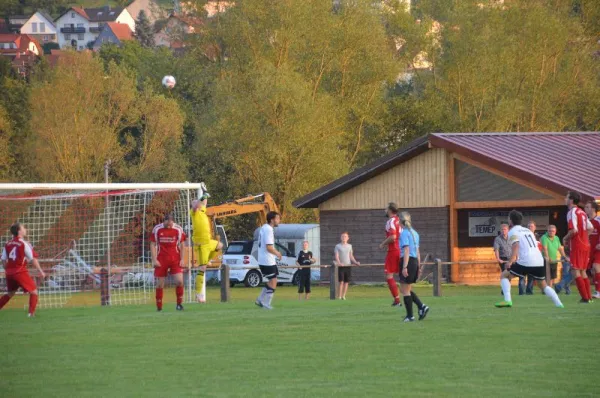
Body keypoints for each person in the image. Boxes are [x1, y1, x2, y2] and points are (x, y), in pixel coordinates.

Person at [495, 210, 563, 308]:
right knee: (543, 285)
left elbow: (516, 245)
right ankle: (559, 303)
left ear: (510, 220)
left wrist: (510, 261)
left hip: (526, 261)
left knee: (504, 275)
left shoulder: (513, 231)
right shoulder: (528, 231)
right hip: (538, 260)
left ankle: (507, 300)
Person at [0, 222, 45, 317]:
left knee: (10, 293)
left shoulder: (7, 244)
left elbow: (3, 260)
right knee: (34, 291)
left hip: (9, 272)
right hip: (20, 271)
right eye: (24, 228)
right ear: (19, 231)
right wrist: (40, 271)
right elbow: (33, 259)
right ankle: (31, 314)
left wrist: (8, 269)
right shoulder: (23, 243)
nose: (25, 229)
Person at [190, 186, 223, 303]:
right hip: (201, 244)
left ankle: (208, 259)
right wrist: (203, 196)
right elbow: (196, 205)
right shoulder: (194, 212)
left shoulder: (203, 210)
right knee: (202, 269)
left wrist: (205, 193)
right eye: (196, 203)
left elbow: (203, 202)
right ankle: (198, 295)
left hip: (208, 241)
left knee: (220, 246)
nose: (199, 204)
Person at [150, 214, 187, 312]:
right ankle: (159, 307)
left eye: (171, 224)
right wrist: (154, 259)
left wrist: (182, 259)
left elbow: (183, 245)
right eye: (167, 224)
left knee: (180, 281)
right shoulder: (157, 229)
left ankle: (179, 304)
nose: (169, 226)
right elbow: (152, 244)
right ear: (164, 221)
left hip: (175, 258)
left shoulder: (178, 229)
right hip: (161, 259)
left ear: (173, 222)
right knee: (160, 284)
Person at [398, 212, 429, 322]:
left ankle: (410, 316)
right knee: (405, 289)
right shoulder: (415, 233)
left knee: (405, 290)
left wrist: (404, 267)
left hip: (407, 261)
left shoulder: (404, 233)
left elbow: (406, 250)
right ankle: (421, 307)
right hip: (414, 261)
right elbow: (417, 251)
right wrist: (419, 266)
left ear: (400, 221)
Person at [563, 191, 593, 303]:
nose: (565, 199)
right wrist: (584, 237)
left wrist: (565, 238)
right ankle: (589, 297)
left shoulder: (571, 212)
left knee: (575, 271)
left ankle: (585, 298)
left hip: (578, 245)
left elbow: (573, 230)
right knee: (583, 271)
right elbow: (590, 228)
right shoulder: (582, 212)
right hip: (586, 244)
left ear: (571, 200)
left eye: (566, 197)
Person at [255, 211, 282, 310]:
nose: (279, 221)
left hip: (266, 260)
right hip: (267, 260)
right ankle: (266, 303)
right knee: (274, 281)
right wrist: (278, 253)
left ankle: (260, 299)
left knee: (272, 280)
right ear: (272, 220)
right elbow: (269, 247)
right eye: (277, 219)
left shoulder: (264, 228)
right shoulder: (268, 230)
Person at [379, 202, 402, 306]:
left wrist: (383, 243)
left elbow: (393, 237)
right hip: (401, 250)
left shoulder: (391, 221)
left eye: (386, 208)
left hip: (393, 251)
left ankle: (397, 300)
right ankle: (406, 298)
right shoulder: (399, 221)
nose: (385, 210)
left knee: (389, 275)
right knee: (403, 276)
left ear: (390, 210)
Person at [334, 232, 360, 300]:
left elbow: (351, 256)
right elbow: (336, 256)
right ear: (340, 238)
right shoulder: (337, 246)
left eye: (345, 236)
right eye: (342, 236)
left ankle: (343, 296)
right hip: (341, 266)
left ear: (348, 238)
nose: (344, 238)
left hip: (348, 265)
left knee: (346, 281)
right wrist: (339, 263)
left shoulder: (350, 246)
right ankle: (339, 296)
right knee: (341, 281)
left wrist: (356, 262)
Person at [584, 201, 600, 299]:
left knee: (596, 267)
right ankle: (597, 290)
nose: (585, 208)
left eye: (587, 207)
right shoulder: (586, 221)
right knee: (593, 271)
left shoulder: (598, 219)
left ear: (593, 209)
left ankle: (598, 291)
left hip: (598, 248)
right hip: (589, 249)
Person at [493, 223, 513, 295]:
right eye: (502, 229)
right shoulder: (498, 239)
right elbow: (496, 249)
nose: (503, 231)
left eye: (505, 229)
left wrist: (516, 257)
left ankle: (505, 289)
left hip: (511, 258)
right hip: (503, 259)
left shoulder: (511, 238)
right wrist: (498, 258)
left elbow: (515, 248)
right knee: (505, 273)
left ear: (508, 230)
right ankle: (505, 290)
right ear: (500, 230)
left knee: (509, 275)